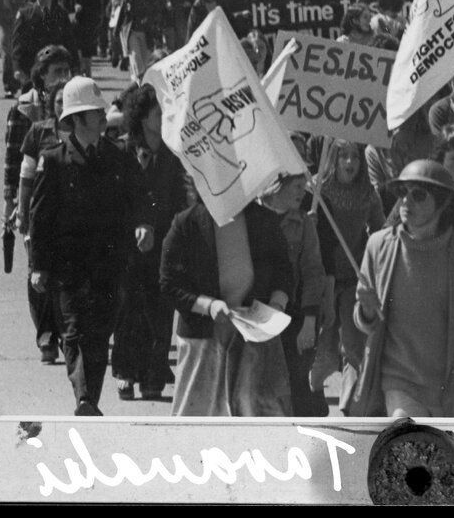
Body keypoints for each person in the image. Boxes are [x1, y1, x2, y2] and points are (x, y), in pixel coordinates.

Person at [353, 161, 454, 419]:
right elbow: (365, 322)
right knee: (411, 447)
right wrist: (366, 311)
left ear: (442, 202)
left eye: (417, 195)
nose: (405, 202)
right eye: (402, 193)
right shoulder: (378, 246)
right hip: (399, 381)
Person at [28, 76, 145, 416]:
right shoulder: (54, 160)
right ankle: (84, 397)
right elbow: (40, 218)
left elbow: (138, 198)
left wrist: (144, 224)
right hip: (70, 266)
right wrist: (39, 266)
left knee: (99, 332)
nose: (101, 118)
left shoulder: (119, 156)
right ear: (77, 120)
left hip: (109, 263)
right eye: (94, 113)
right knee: (75, 330)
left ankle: (88, 397)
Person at [160, 181, 297, 417]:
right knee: (198, 424)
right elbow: (169, 282)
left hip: (255, 336)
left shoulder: (264, 220)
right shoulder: (186, 223)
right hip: (203, 339)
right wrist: (208, 306)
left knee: (258, 421)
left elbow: (283, 271)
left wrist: (275, 305)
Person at [110, 82, 189, 402]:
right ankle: (125, 373)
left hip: (163, 244)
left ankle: (154, 375)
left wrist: (159, 228)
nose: (165, 117)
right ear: (143, 118)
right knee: (129, 308)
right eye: (159, 113)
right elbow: (116, 202)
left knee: (161, 310)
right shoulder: (122, 151)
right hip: (129, 246)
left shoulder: (173, 155)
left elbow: (178, 200)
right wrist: (137, 227)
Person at [308, 141, 385, 399]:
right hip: (323, 279)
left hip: (354, 277)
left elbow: (380, 231)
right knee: (326, 356)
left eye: (355, 156)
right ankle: (312, 393)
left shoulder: (367, 193)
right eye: (343, 156)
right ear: (334, 158)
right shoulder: (318, 187)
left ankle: (352, 407)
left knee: (354, 349)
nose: (350, 162)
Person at [13, 46, 75, 364]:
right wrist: (20, 213)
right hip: (40, 216)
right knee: (39, 274)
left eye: (67, 71)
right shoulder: (38, 132)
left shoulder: (82, 130)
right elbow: (23, 176)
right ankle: (46, 336)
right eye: (59, 99)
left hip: (73, 216)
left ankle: (66, 333)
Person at [258, 171, 329, 416]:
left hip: (295, 317)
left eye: (304, 186)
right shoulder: (253, 218)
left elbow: (313, 272)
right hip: (257, 315)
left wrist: (310, 322)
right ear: (278, 185)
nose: (303, 193)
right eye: (297, 186)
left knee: (298, 386)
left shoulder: (304, 223)